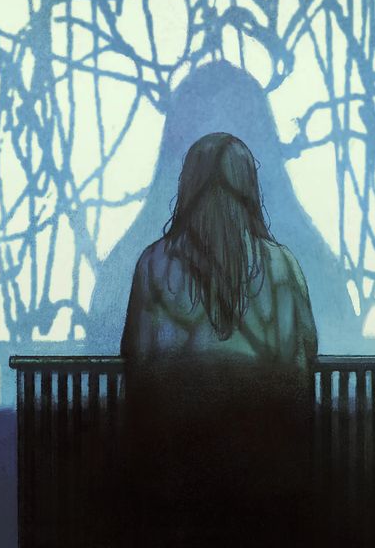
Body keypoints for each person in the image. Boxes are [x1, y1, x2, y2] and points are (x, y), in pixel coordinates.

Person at [120, 132, 318, 545]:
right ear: (249, 187)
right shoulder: (283, 265)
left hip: (174, 469)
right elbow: (304, 359)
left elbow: (136, 361)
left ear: (187, 186)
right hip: (266, 469)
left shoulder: (153, 264)